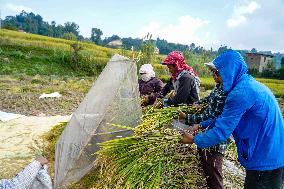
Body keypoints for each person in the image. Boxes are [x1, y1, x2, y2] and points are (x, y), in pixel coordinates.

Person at [181, 50, 284, 189]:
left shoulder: (240, 93)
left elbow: (222, 132)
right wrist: (200, 125)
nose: (215, 76)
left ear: (229, 71)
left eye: (218, 72)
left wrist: (194, 140)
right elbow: (225, 117)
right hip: (273, 151)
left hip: (265, 157)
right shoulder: (247, 84)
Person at [179, 62, 228, 189]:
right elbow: (208, 99)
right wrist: (197, 104)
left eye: (217, 72)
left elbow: (212, 117)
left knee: (214, 177)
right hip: (205, 137)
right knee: (208, 173)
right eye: (213, 72)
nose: (214, 75)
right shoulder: (219, 87)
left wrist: (188, 117)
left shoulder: (226, 93)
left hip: (215, 142)